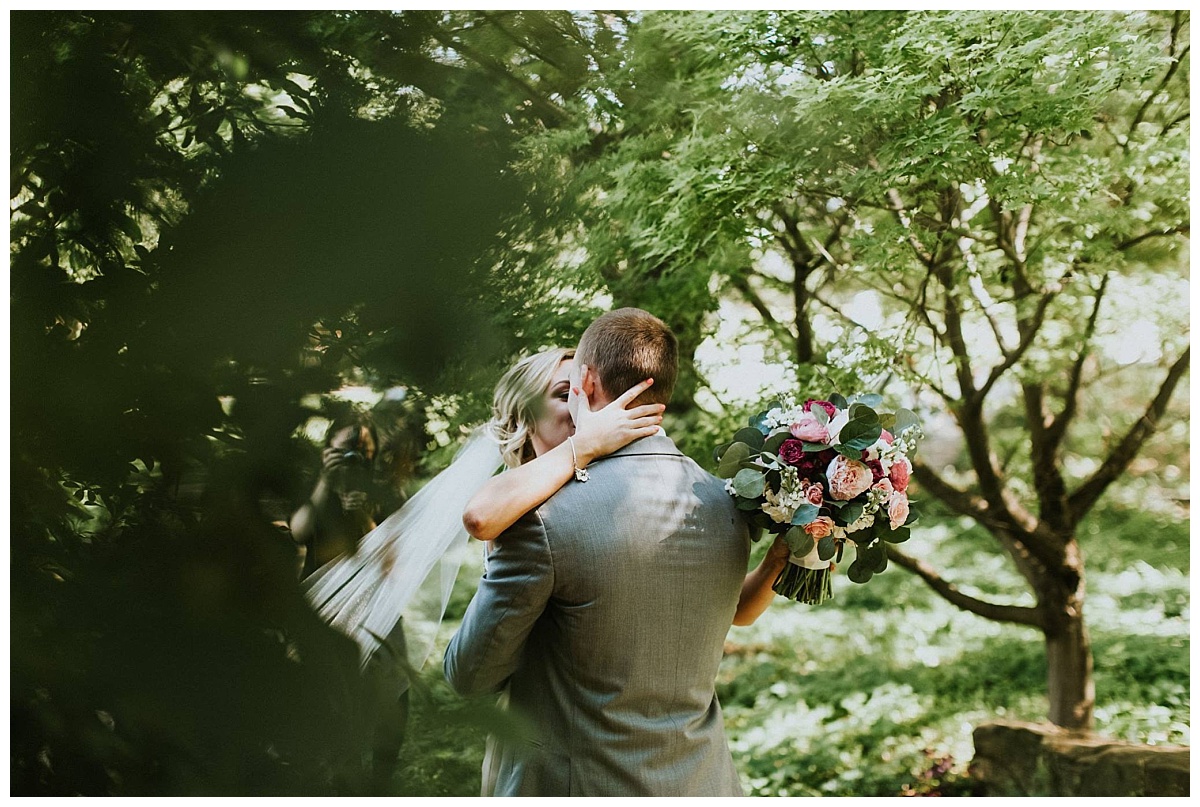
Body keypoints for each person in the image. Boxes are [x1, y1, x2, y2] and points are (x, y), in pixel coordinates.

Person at [444, 308, 766, 797]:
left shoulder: (541, 523)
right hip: (703, 782)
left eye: (571, 385)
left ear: (587, 383)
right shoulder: (726, 504)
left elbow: (470, 676)